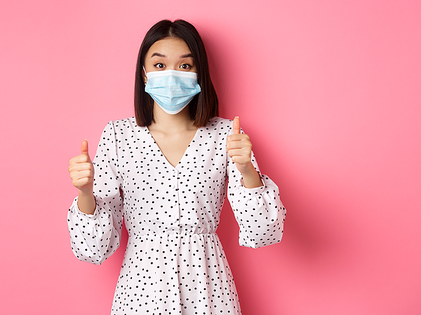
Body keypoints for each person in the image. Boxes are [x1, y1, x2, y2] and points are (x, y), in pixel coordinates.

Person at [67, 19, 286, 315]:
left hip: (208, 289)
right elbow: (92, 250)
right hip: (140, 292)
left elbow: (263, 233)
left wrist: (248, 171)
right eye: (159, 65)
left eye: (184, 66)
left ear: (199, 74)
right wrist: (85, 193)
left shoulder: (225, 135)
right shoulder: (119, 135)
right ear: (144, 74)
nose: (171, 75)